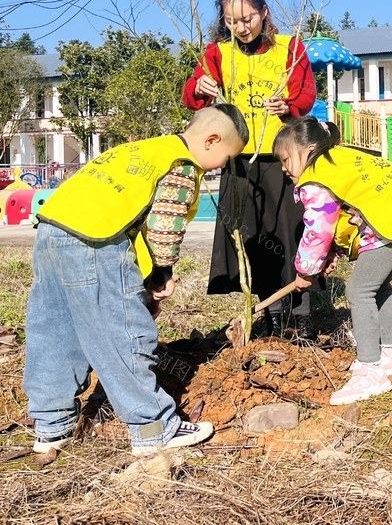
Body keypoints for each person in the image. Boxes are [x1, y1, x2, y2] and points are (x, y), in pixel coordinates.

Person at [24, 105, 249, 456]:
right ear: (211, 140)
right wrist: (162, 272)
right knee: (122, 334)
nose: (221, 166)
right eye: (225, 158)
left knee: (54, 332)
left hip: (52, 230)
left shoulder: (141, 149)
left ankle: (52, 426)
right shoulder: (181, 166)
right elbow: (164, 226)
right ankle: (153, 426)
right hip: (95, 242)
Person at [182, 0, 318, 342]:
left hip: (283, 159)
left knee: (291, 236)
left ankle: (301, 316)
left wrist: (287, 106)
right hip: (240, 163)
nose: (241, 28)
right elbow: (192, 98)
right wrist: (200, 86)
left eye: (248, 19)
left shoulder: (289, 49)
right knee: (251, 238)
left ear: (264, 12)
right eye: (231, 21)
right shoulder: (217, 53)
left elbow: (305, 96)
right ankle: (272, 315)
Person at [273, 116, 392, 404]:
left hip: (391, 223)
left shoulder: (316, 178)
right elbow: (346, 217)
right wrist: (333, 255)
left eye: (286, 159)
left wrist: (305, 271)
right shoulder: (339, 158)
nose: (284, 168)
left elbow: (318, 230)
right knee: (378, 285)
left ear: (309, 149)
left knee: (358, 291)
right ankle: (388, 355)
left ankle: (370, 371)